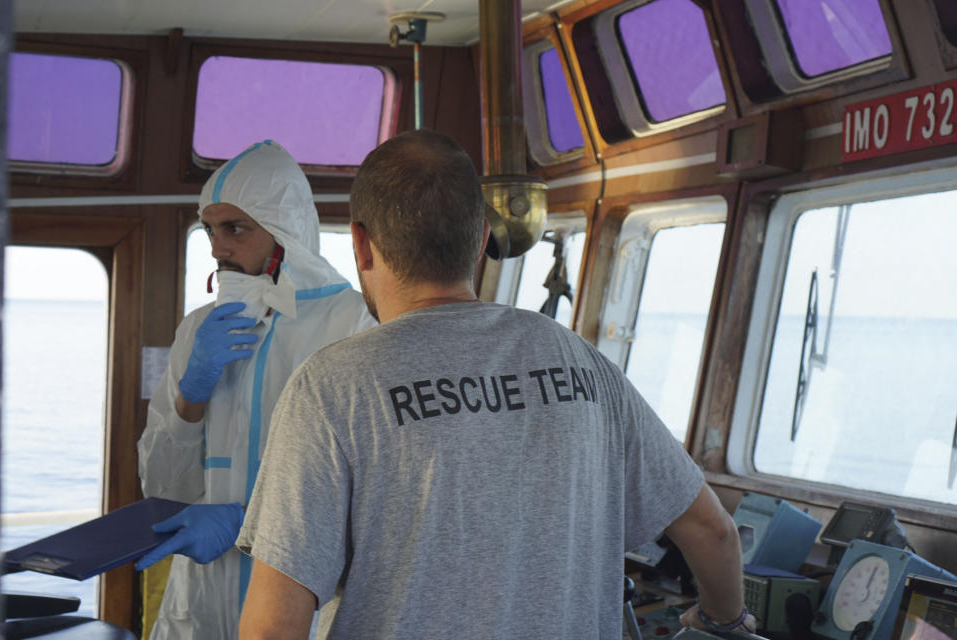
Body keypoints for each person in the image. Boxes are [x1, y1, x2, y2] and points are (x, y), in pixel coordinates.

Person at [236, 129, 756, 639]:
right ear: (482, 238)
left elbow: (272, 628)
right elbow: (713, 533)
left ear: (361, 244)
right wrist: (722, 621)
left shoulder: (331, 388)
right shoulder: (582, 361)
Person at [137, 140, 376, 640]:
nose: (217, 248)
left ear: (285, 232)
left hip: (298, 610)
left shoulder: (354, 323)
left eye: (235, 229)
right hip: (197, 610)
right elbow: (162, 488)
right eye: (210, 229)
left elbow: (371, 495)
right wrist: (190, 396)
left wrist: (249, 524)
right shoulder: (198, 330)